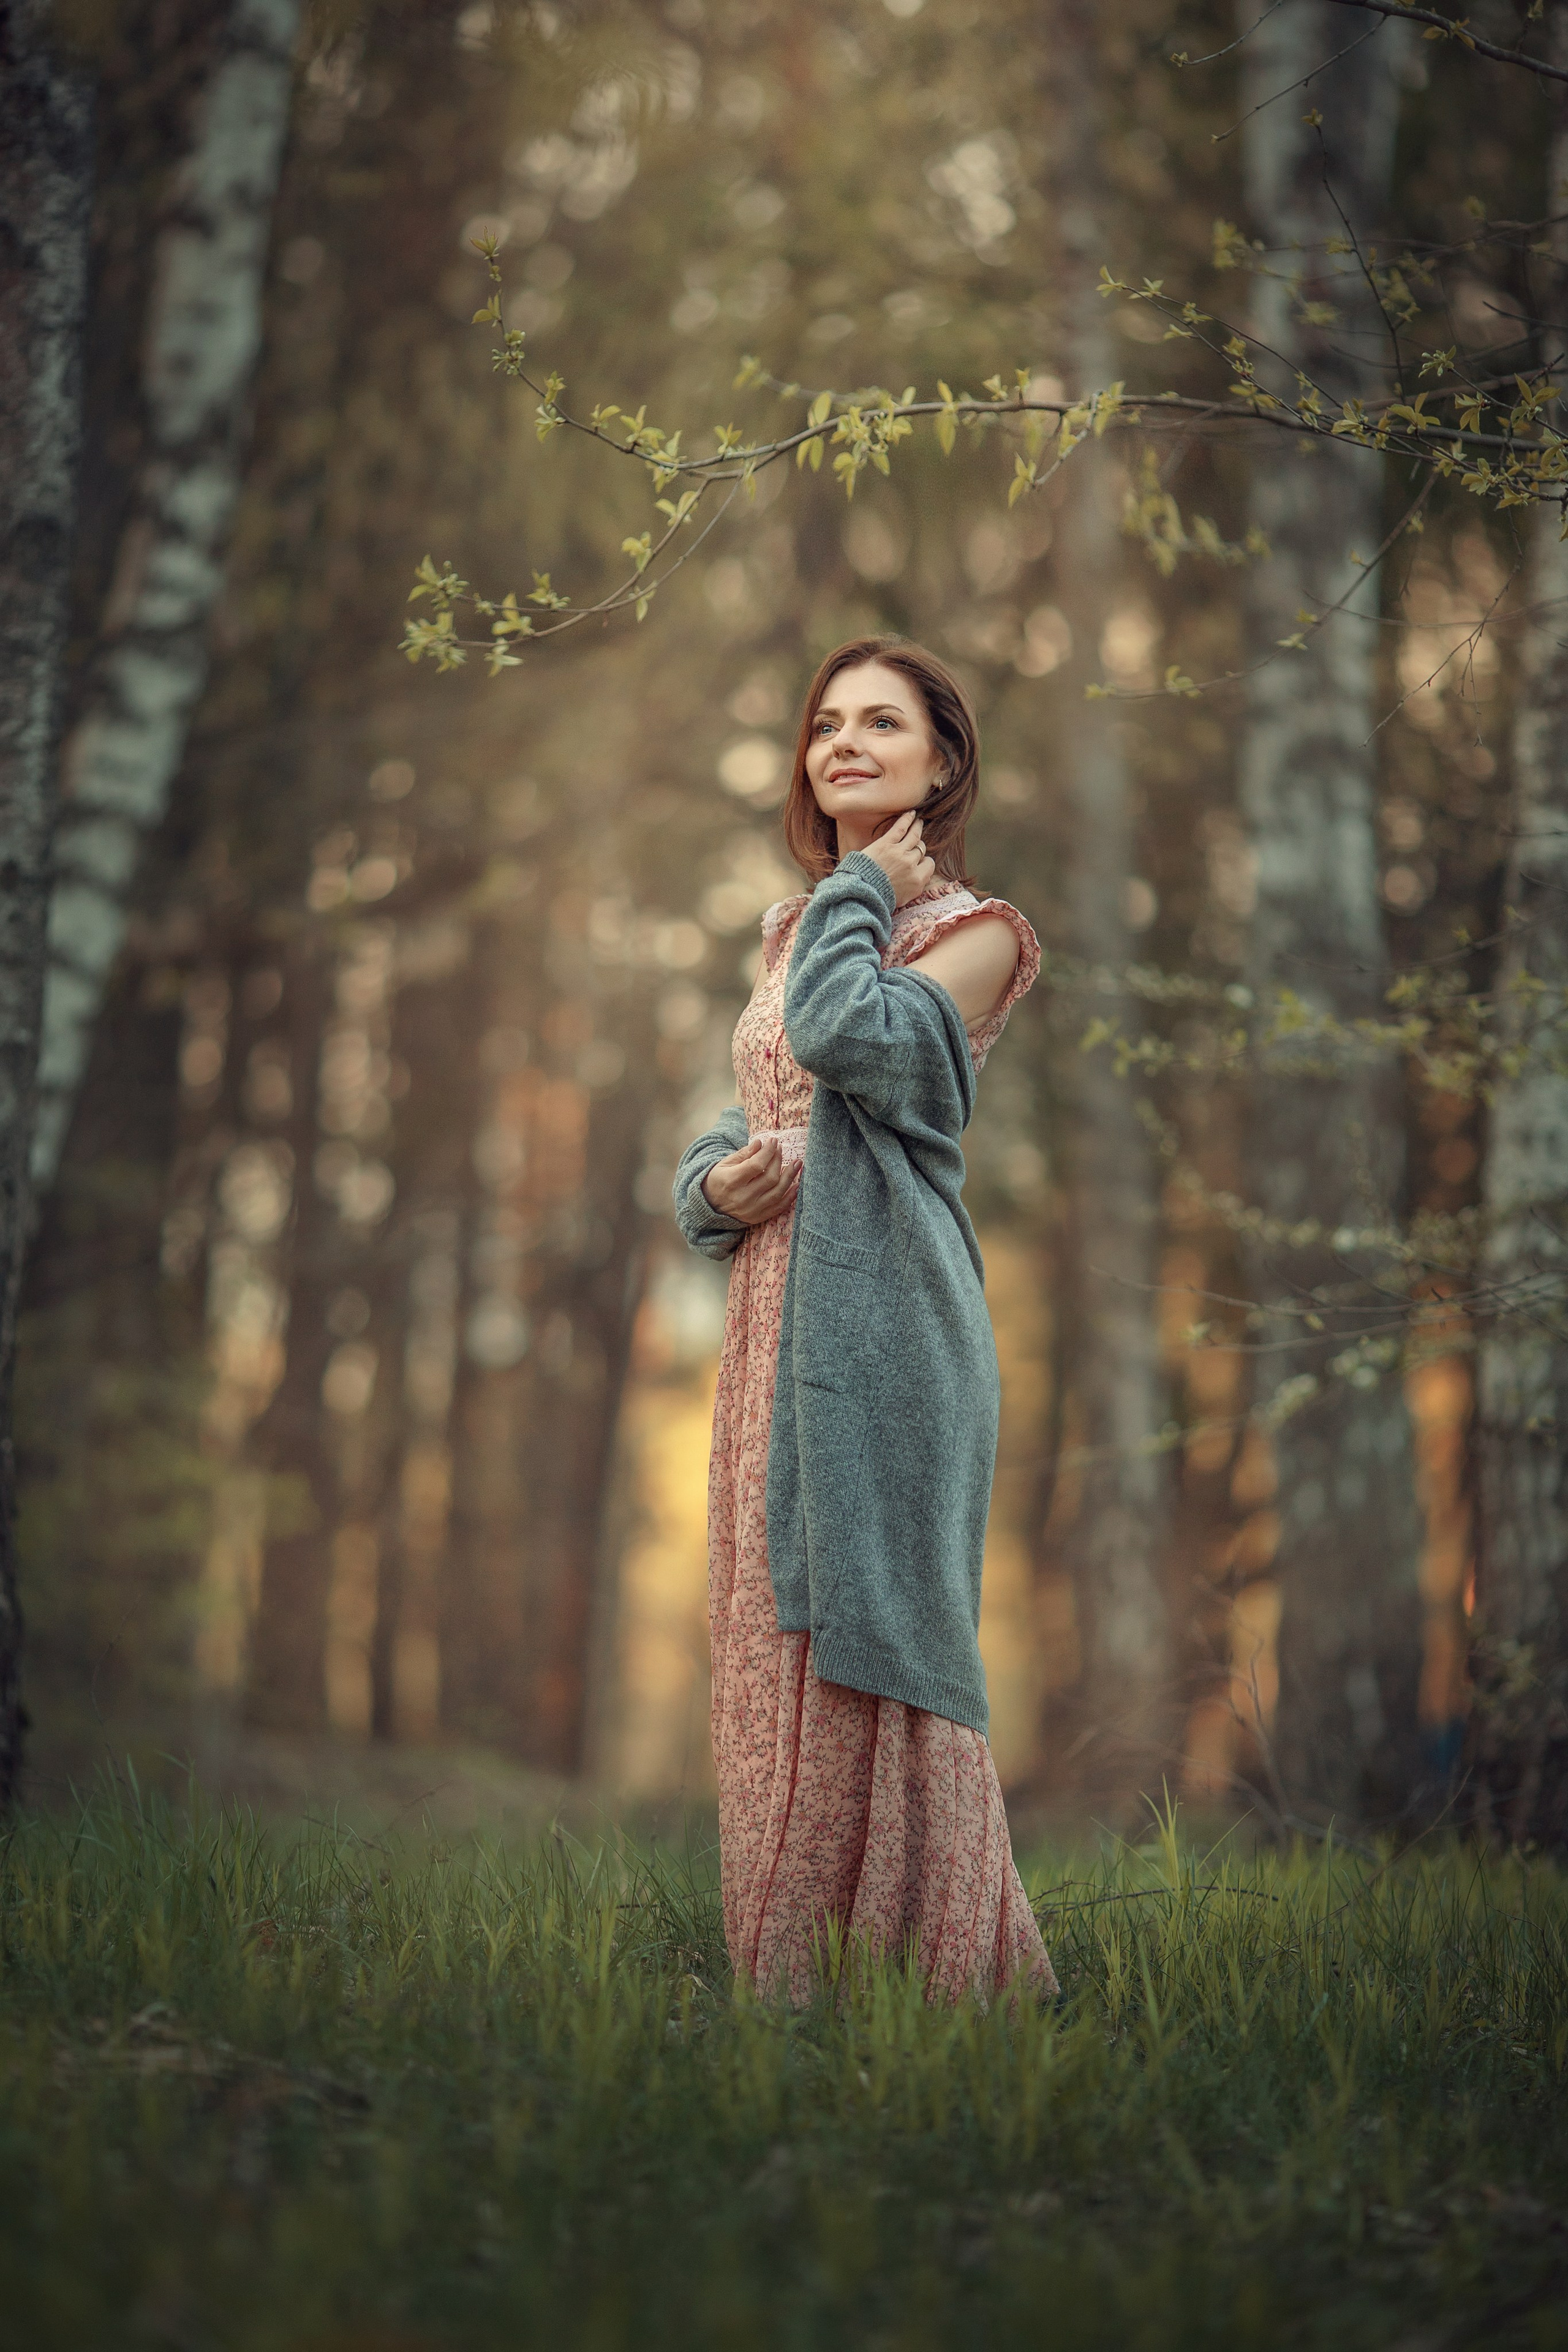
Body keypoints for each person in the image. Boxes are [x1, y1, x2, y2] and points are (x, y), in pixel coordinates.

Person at [674, 635, 1056, 2007]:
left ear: (940, 760)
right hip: (770, 1321)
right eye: (824, 722)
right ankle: (791, 1985)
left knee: (874, 1635)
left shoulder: (978, 936)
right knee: (770, 1641)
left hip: (888, 1331)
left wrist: (852, 889)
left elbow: (843, 1039)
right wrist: (711, 1188)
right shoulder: (793, 927)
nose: (842, 742)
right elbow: (754, 1104)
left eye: (879, 723)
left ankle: (938, 1981)